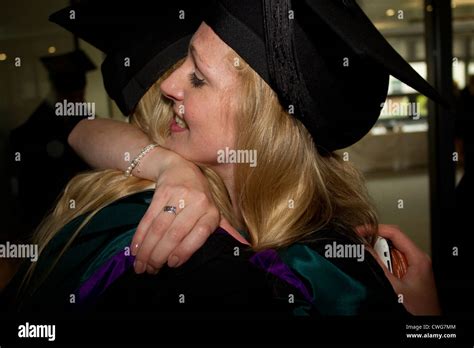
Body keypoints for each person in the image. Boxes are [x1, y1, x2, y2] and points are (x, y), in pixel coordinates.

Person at [2, 0, 442, 316]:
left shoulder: (319, 265)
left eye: (197, 76)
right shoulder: (189, 257)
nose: (169, 87)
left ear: (259, 121)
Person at [8, 50, 95, 237]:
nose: (79, 99)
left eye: (80, 94)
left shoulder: (85, 119)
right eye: (75, 95)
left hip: (81, 219)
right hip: (49, 223)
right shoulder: (32, 132)